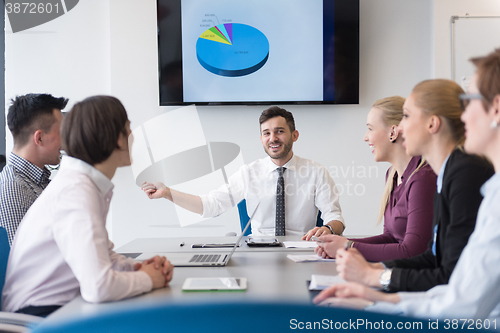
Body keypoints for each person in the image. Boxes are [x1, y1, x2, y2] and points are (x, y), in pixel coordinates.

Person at [313, 49, 500, 321]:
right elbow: (441, 265)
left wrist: (376, 279)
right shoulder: (457, 176)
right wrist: (375, 278)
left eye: (407, 117)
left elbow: (458, 293)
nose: (400, 128)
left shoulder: (463, 174)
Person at [1, 96, 174, 317]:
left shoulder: (83, 184)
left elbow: (104, 256)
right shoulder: (76, 190)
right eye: (129, 129)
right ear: (117, 140)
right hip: (39, 316)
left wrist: (138, 268)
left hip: (60, 307)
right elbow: (98, 287)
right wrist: (149, 278)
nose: (133, 137)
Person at [142, 106, 345, 237]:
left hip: (302, 251)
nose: (272, 138)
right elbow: (210, 206)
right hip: (259, 254)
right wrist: (168, 193)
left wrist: (327, 229)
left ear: (295, 135)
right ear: (261, 139)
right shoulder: (249, 173)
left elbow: (335, 218)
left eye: (279, 131)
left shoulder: (317, 172)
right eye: (266, 133)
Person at [315, 97, 436, 261]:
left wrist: (348, 247)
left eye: (370, 129)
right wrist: (338, 244)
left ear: (393, 132)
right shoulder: (392, 175)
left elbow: (412, 251)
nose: (366, 137)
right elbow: (390, 237)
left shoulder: (423, 178)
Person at [0, 93, 67, 245]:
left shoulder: (38, 183)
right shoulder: (13, 189)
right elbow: (20, 266)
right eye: (61, 132)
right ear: (40, 138)